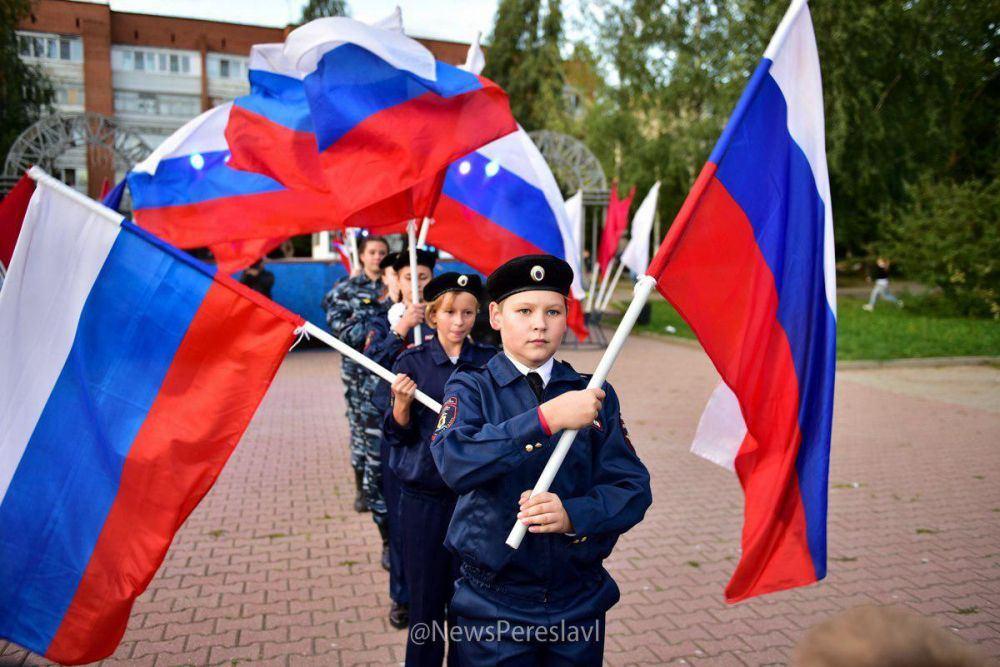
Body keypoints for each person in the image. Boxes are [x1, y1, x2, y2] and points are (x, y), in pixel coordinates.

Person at [430, 254, 652, 665]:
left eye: (552, 311)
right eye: (524, 311)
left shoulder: (592, 392)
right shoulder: (471, 386)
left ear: (567, 316)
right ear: (495, 315)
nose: (539, 323)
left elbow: (632, 488)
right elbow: (454, 461)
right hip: (493, 604)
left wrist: (574, 515)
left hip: (577, 600)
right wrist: (544, 419)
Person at [386, 272, 496, 666]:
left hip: (474, 501)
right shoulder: (411, 362)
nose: (459, 321)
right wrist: (401, 404)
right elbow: (396, 435)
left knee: (470, 603)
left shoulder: (488, 362)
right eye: (449, 312)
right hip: (425, 501)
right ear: (433, 316)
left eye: (467, 312)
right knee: (426, 605)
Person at [361, 247, 438, 630]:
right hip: (399, 437)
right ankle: (404, 597)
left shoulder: (446, 317)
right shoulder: (383, 320)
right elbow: (371, 365)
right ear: (395, 279)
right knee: (402, 522)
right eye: (409, 278)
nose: (417, 285)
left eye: (423, 277)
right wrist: (403, 327)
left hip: (439, 436)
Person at [323, 235, 390, 512]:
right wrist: (380, 328)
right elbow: (340, 330)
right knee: (360, 429)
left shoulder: (396, 287)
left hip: (387, 374)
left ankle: (382, 484)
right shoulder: (345, 290)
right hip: (358, 375)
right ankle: (362, 486)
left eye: (382, 252)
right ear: (361, 256)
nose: (377, 257)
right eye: (372, 252)